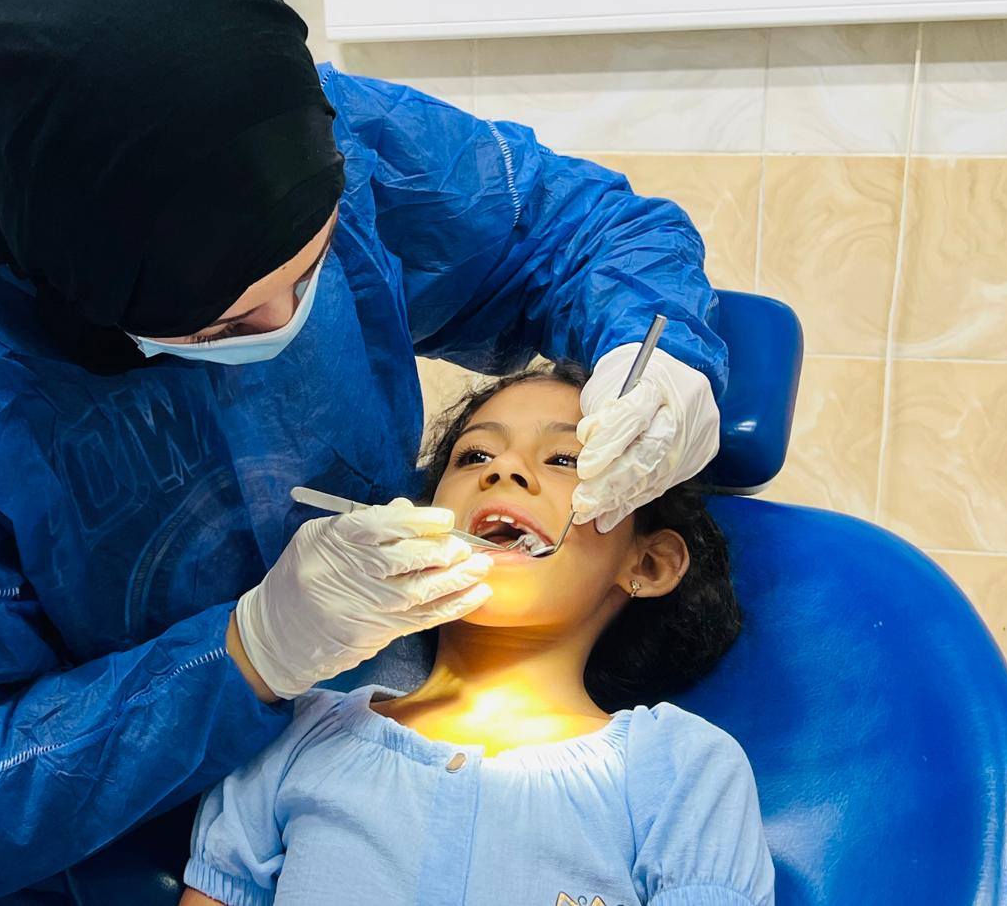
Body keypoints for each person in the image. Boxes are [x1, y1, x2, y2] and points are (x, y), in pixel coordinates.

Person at [0, 0, 728, 906]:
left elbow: (572, 230)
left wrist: (656, 351)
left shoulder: (289, 131)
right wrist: (245, 653)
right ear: (75, 291)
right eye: (219, 326)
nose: (283, 330)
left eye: (313, 270)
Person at [182, 364, 773, 906]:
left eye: (564, 459)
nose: (502, 470)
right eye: (474, 456)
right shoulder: (290, 737)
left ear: (648, 564)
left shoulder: (680, 768)